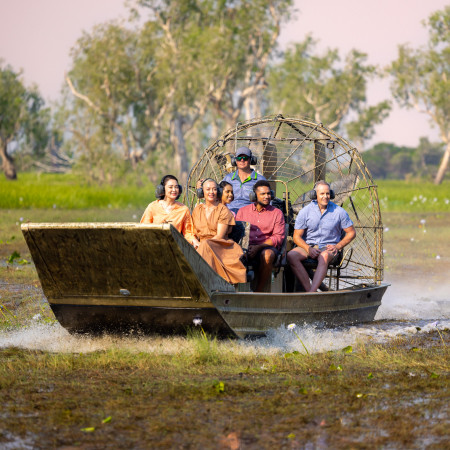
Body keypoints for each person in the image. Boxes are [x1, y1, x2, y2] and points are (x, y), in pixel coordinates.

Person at [287, 180, 356, 292]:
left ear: (331, 194)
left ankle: (312, 292)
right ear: (315, 195)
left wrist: (337, 247)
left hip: (329, 248)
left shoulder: (339, 212)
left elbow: (352, 232)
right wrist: (308, 249)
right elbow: (296, 237)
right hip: (309, 246)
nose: (325, 196)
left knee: (323, 256)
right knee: (291, 255)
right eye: (322, 193)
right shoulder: (305, 212)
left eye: (328, 193)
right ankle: (309, 290)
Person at [192, 179, 247, 284]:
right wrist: (196, 242)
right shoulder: (197, 210)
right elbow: (193, 232)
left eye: (214, 189)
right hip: (200, 245)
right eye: (208, 189)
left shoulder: (223, 210)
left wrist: (202, 245)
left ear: (218, 191)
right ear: (202, 192)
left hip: (220, 245)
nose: (211, 192)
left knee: (206, 245)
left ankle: (202, 281)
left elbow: (219, 236)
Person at [236, 180, 285, 292]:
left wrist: (258, 247)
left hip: (266, 247)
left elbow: (278, 237)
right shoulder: (242, 211)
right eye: (263, 194)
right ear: (254, 196)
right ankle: (234, 290)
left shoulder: (277, 213)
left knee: (267, 255)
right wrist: (245, 248)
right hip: (246, 247)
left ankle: (259, 291)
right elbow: (237, 233)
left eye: (268, 193)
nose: (267, 196)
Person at [140, 175, 195, 244]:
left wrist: (195, 242)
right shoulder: (152, 207)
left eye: (176, 187)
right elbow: (143, 229)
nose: (174, 190)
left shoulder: (184, 209)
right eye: (170, 187)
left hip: (174, 246)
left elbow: (188, 233)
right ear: (162, 189)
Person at [222, 146, 266, 214]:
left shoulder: (260, 180)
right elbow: (219, 197)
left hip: (251, 214)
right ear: (235, 161)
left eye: (245, 158)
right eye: (239, 158)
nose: (242, 160)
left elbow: (266, 201)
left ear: (251, 160)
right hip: (230, 213)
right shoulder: (228, 178)